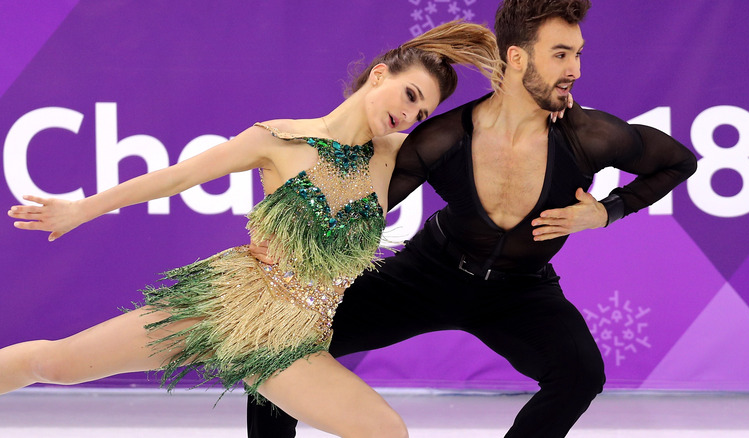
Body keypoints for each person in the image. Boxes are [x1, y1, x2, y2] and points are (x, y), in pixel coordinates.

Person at [2, 21, 501, 438]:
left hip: (291, 335)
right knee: (58, 365)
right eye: (409, 95)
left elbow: (486, 141)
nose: (408, 115)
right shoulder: (279, 139)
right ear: (378, 75)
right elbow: (176, 177)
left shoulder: (397, 157)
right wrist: (82, 208)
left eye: (420, 112)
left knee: (385, 432)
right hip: (230, 301)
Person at [246, 0, 698, 437]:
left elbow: (679, 162)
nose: (575, 70)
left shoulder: (592, 137)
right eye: (560, 55)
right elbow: (362, 211)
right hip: (427, 275)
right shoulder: (442, 138)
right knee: (282, 346)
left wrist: (607, 212)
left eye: (577, 54)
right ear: (517, 58)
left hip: (522, 290)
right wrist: (286, 239)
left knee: (580, 375)